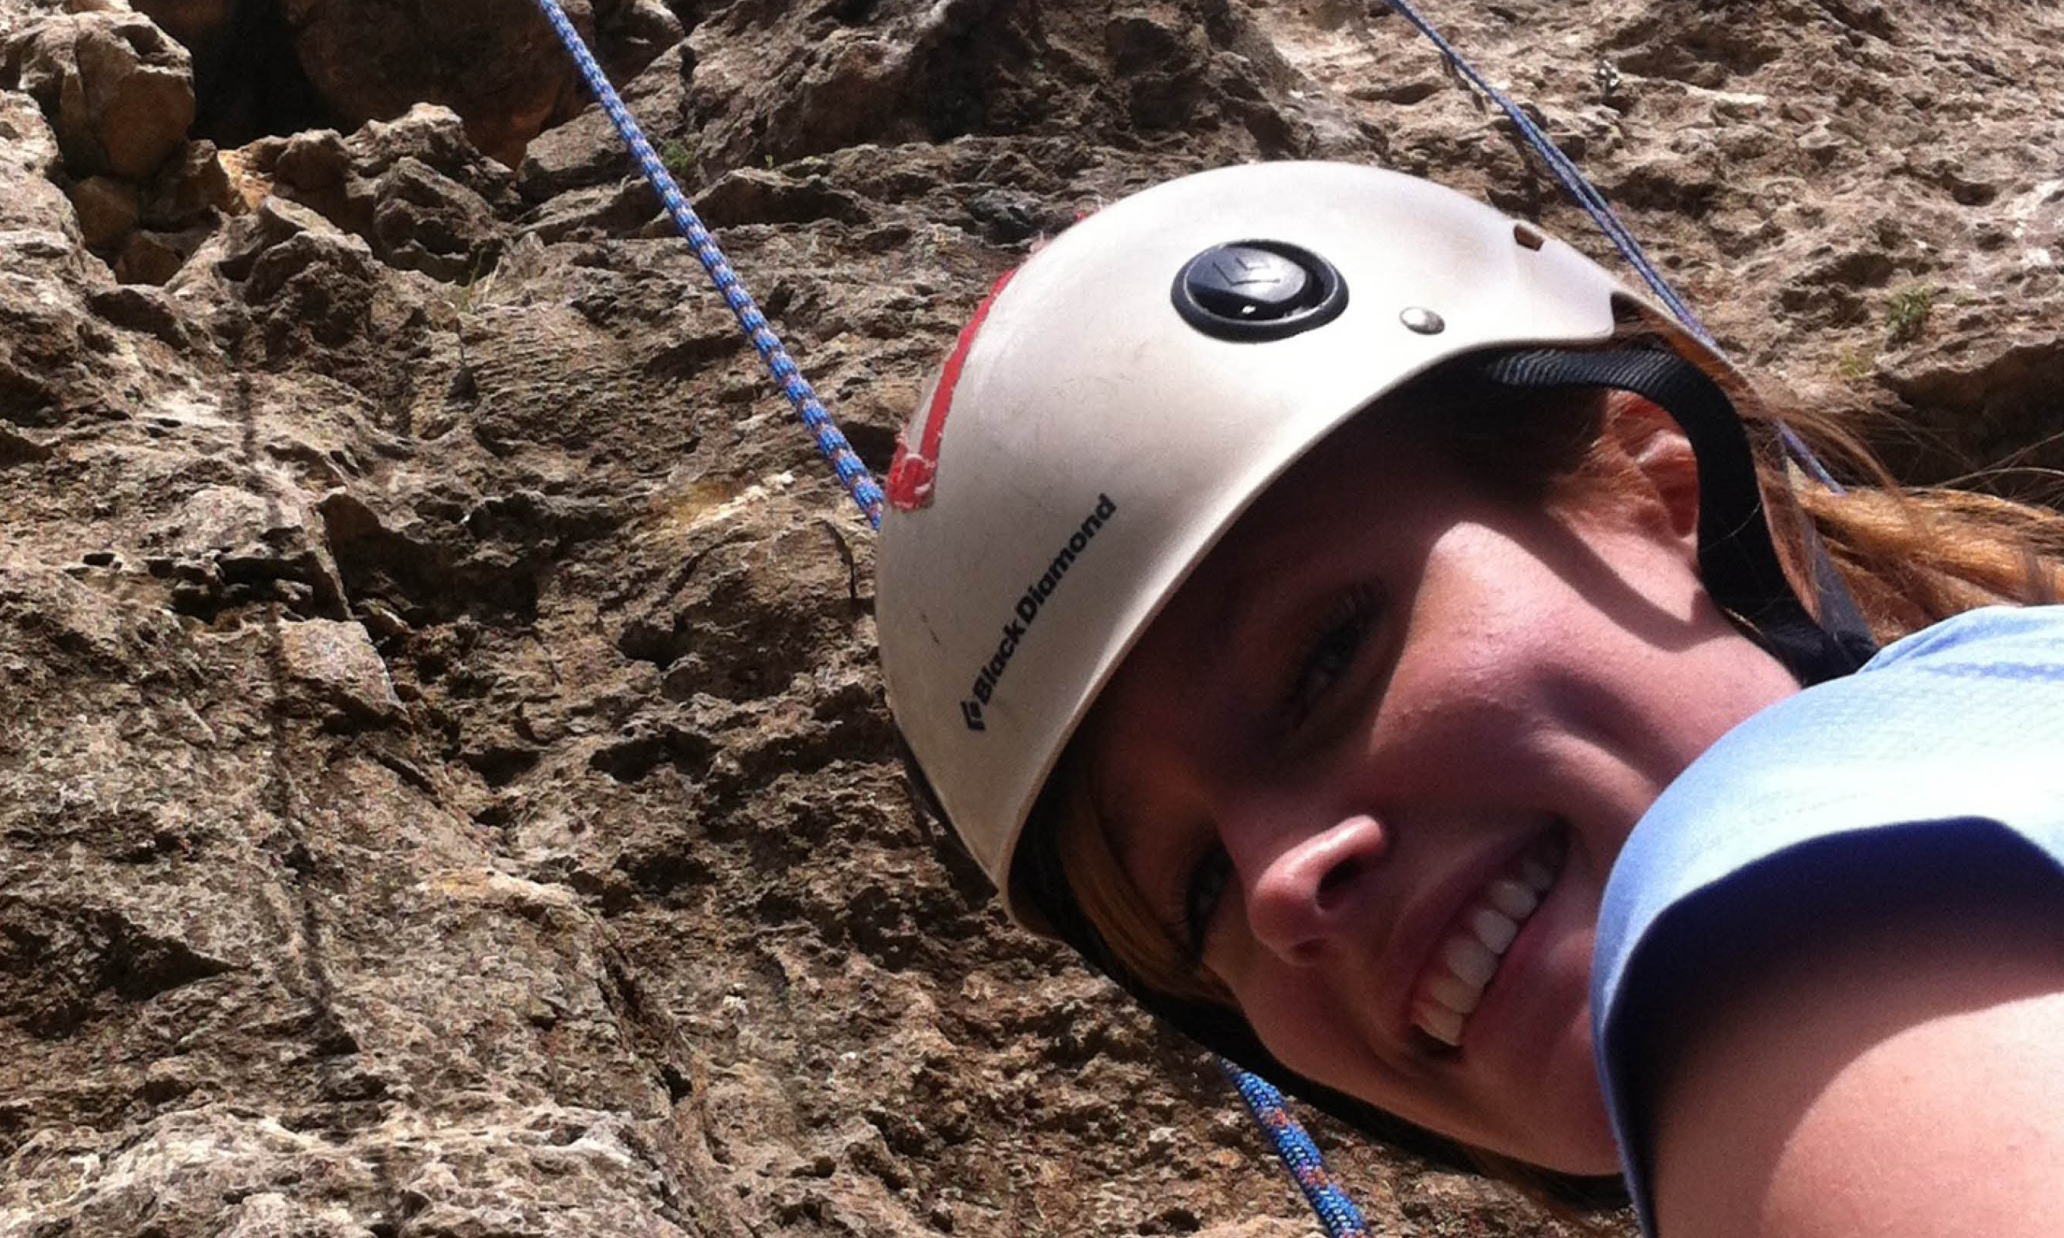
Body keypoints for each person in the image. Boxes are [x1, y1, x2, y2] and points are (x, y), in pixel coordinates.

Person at [872, 161, 2064, 1233]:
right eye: (1197, 893)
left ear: (1660, 488)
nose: (1281, 881)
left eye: (1327, 657)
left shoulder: (1764, 877)